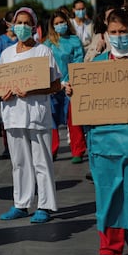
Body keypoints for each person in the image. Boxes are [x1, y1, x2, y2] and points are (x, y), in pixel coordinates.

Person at [66, 7, 128, 255]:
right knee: (107, 196)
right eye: (113, 32)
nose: (118, 36)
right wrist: (73, 91)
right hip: (103, 143)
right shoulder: (94, 66)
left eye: (123, 32)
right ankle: (110, 249)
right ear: (105, 35)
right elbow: (84, 102)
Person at [0, 7, 61, 223]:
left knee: (41, 160)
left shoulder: (43, 52)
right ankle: (21, 204)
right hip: (13, 113)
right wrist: (2, 94)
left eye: (27, 23)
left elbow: (56, 85)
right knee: (19, 161)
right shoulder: (6, 54)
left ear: (34, 27)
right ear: (12, 26)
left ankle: (44, 205)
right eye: (19, 23)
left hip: (36, 113)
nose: (22, 27)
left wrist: (33, 90)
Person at [44, 10, 86, 163]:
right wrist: (55, 83)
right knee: (51, 120)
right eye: (56, 23)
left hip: (71, 85)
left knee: (73, 119)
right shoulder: (48, 43)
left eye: (62, 22)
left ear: (67, 23)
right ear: (52, 26)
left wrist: (68, 82)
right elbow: (44, 65)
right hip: (53, 86)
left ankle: (78, 150)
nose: (60, 25)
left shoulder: (75, 40)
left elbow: (78, 62)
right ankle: (52, 149)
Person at [0, 11, 18, 157]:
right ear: (7, 24)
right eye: (14, 23)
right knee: (6, 118)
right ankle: (8, 146)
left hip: (22, 84)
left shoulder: (24, 40)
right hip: (5, 84)